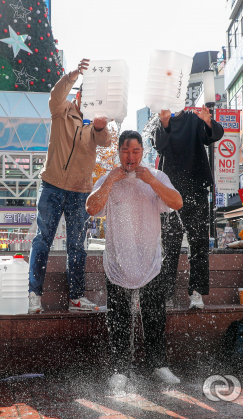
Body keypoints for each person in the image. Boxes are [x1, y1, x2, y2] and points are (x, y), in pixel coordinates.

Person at [86, 130, 183, 391]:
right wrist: (110, 181)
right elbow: (91, 208)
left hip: (150, 260)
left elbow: (177, 202)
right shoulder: (110, 177)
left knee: (154, 316)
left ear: (143, 152)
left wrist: (151, 181)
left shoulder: (156, 176)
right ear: (118, 152)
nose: (131, 157)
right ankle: (120, 370)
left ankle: (159, 365)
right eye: (126, 151)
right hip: (118, 262)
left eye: (136, 151)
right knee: (118, 319)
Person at [28, 59, 112, 314]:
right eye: (88, 99)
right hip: (52, 185)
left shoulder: (96, 125)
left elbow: (106, 141)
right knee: (43, 240)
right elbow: (55, 95)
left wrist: (100, 126)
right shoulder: (62, 110)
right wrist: (74, 74)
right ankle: (34, 294)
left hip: (80, 191)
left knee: (77, 245)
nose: (91, 105)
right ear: (79, 96)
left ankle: (76, 298)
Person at [154, 106, 224, 309]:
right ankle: (166, 294)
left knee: (199, 242)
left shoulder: (194, 119)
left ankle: (196, 293)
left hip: (196, 187)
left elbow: (215, 135)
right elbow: (158, 144)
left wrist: (208, 121)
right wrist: (165, 122)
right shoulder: (157, 119)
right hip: (169, 191)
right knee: (169, 244)